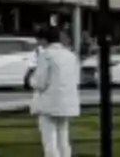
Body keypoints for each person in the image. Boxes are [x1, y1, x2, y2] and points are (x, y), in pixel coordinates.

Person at [31, 25, 80, 157]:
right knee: (63, 138)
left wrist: (32, 79)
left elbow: (40, 82)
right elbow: (76, 79)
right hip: (67, 102)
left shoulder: (46, 56)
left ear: (44, 40)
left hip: (49, 103)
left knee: (49, 140)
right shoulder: (71, 56)